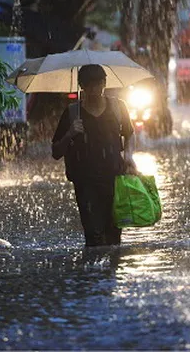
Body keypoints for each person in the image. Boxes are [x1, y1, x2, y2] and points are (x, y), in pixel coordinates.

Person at [52, 64, 137, 247]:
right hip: (85, 182)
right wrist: (69, 134)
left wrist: (129, 156)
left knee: (114, 235)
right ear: (81, 86)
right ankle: (92, 274)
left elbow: (130, 133)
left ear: (105, 83)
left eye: (99, 84)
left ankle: (110, 274)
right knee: (92, 236)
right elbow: (55, 152)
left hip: (115, 178)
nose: (94, 90)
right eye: (89, 85)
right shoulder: (72, 113)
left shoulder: (117, 107)